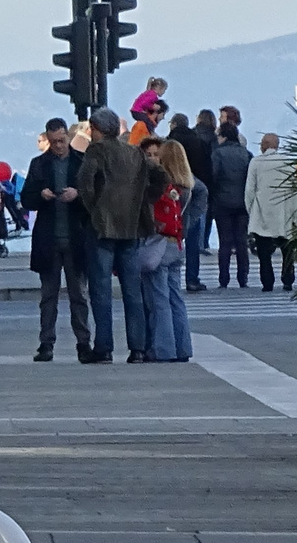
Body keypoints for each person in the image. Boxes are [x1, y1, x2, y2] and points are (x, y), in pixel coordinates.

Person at [76, 107, 168, 365]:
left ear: (98, 130)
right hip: (131, 226)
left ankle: (104, 347)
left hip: (103, 227)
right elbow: (160, 175)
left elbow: (84, 182)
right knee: (132, 290)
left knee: (101, 289)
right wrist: (144, 201)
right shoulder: (134, 152)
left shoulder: (97, 151)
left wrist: (96, 207)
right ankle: (137, 348)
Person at [23, 120, 92, 362]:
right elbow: (26, 199)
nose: (59, 146)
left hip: (76, 237)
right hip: (49, 238)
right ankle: (46, 342)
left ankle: (84, 342)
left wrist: (78, 195)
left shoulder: (81, 162)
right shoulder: (39, 164)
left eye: (62, 141)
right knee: (48, 296)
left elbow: (94, 196)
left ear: (67, 137)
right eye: (54, 142)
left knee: (79, 295)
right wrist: (40, 195)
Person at [152, 139, 196, 361]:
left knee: (160, 298)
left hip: (161, 242)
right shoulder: (187, 185)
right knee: (175, 297)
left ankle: (164, 348)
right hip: (178, 242)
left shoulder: (164, 186)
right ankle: (183, 347)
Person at [245, 132, 297, 292]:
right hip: (284, 211)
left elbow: (250, 190)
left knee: (264, 253)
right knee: (287, 249)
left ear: (264, 145)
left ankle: (267, 282)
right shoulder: (288, 162)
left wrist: (251, 212)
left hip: (262, 211)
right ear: (277, 145)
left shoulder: (256, 163)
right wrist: (295, 213)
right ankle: (288, 279)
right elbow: (295, 190)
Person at [167, 113, 210, 292]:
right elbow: (208, 169)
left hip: (173, 194)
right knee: (193, 242)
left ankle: (169, 274)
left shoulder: (169, 144)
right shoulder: (199, 142)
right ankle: (192, 278)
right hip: (193, 189)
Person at [209, 120, 253, 288]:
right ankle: (243, 277)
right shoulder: (246, 154)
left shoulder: (218, 154)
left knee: (225, 242)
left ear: (224, 136)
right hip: (242, 203)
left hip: (222, 203)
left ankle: (224, 278)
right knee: (242, 241)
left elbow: (213, 175)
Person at [193, 109, 220, 256]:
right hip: (207, 179)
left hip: (192, 177)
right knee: (206, 212)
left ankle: (195, 242)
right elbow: (214, 160)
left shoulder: (192, 134)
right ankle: (203, 242)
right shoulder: (213, 138)